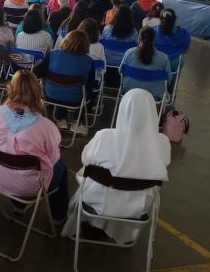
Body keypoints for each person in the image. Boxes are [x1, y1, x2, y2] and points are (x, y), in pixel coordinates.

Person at [61, 89, 170, 244]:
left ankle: (96, 225)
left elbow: (86, 159)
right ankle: (119, 230)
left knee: (90, 178)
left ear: (122, 108)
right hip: (138, 207)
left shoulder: (104, 137)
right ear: (153, 112)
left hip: (97, 202)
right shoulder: (162, 143)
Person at [0, 70, 68, 221]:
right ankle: (59, 216)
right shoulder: (45, 126)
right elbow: (53, 159)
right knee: (61, 166)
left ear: (10, 88)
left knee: (14, 158)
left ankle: (19, 205)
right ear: (38, 92)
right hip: (29, 188)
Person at [39, 30, 94, 134]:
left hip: (50, 96)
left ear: (66, 41)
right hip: (75, 100)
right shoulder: (89, 61)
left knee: (61, 87)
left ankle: (61, 119)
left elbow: (37, 72)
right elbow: (90, 86)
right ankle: (77, 122)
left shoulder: (53, 54)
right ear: (86, 45)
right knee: (84, 92)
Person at [120, 27, 170, 100]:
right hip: (153, 97)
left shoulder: (129, 53)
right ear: (154, 40)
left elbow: (121, 71)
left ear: (139, 39)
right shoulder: (163, 58)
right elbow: (168, 78)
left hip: (129, 93)